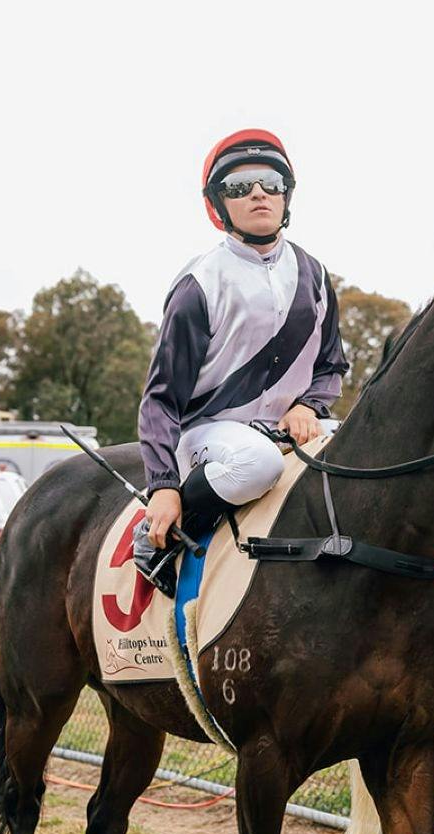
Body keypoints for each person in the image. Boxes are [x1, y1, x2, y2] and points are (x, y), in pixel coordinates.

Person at [133, 128, 349, 597]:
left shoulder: (313, 273)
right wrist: (164, 486)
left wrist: (309, 405)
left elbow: (331, 365)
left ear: (286, 195)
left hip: (296, 428)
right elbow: (160, 399)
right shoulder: (199, 283)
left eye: (271, 182)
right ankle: (157, 539)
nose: (257, 193)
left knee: (368, 449)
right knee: (259, 462)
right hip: (213, 433)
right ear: (218, 204)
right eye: (239, 186)